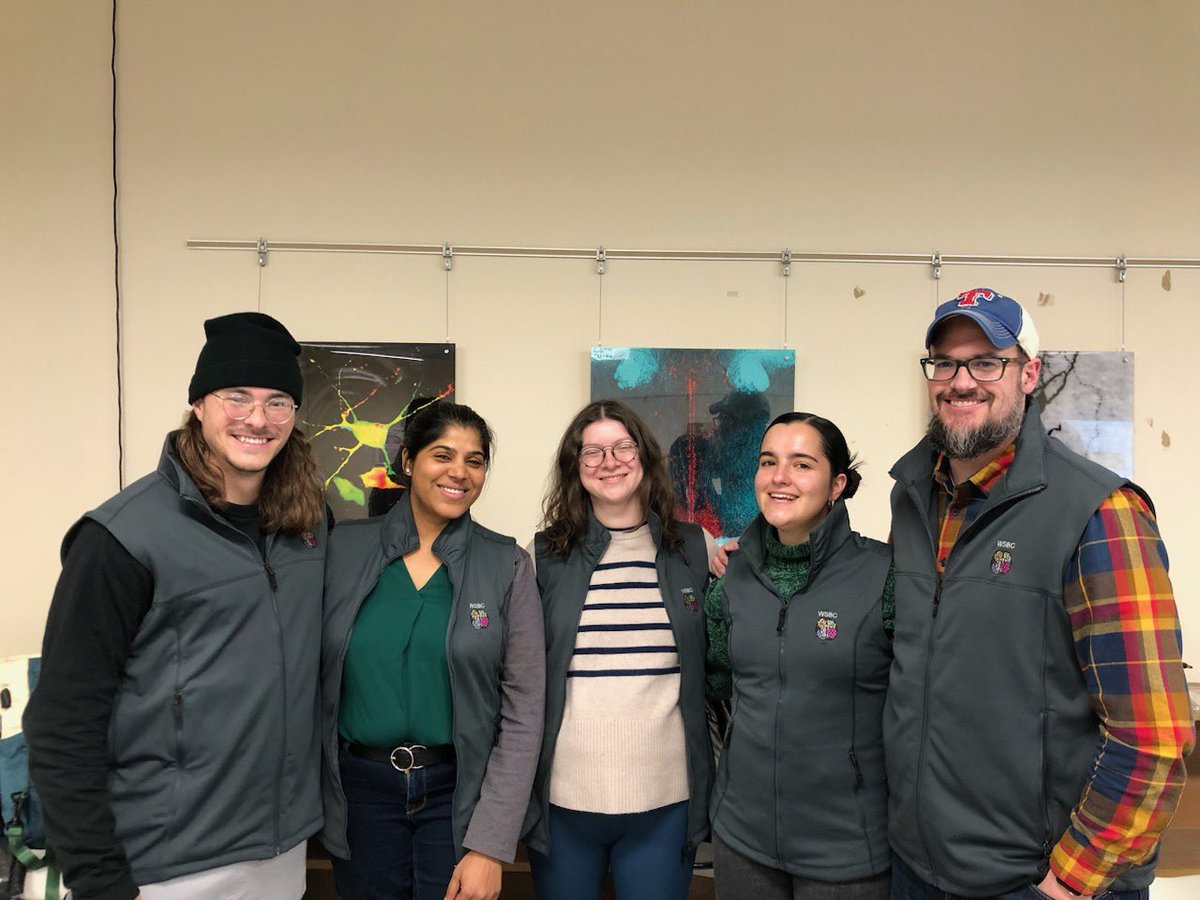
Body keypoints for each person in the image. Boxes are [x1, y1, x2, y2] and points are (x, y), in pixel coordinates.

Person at [886, 288, 1194, 900]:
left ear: (1028, 374)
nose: (960, 381)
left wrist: (1069, 884)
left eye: (986, 361)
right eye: (943, 363)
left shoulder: (1101, 512)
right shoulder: (912, 498)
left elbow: (1154, 736)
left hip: (1039, 881)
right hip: (918, 868)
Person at [24, 312, 327, 900]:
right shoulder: (120, 538)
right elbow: (62, 723)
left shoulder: (309, 525)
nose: (257, 419)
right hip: (166, 866)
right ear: (198, 404)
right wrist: (98, 878)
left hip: (281, 851)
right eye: (236, 396)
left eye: (278, 402)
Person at [319, 400, 545, 900]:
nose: (459, 473)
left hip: (459, 798)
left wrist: (489, 846)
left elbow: (524, 713)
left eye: (475, 460)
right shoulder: (342, 551)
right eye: (442, 455)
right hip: (360, 797)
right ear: (407, 461)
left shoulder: (505, 564)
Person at [524, 400, 715, 900]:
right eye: (592, 452)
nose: (609, 462)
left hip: (666, 795)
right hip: (566, 797)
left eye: (622, 447)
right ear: (575, 466)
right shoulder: (543, 556)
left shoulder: (694, 547)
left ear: (645, 456)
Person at [705, 412, 893, 900]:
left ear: (837, 484)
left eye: (802, 464)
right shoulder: (731, 579)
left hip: (848, 847)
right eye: (769, 462)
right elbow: (717, 684)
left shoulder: (885, 577)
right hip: (743, 837)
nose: (780, 477)